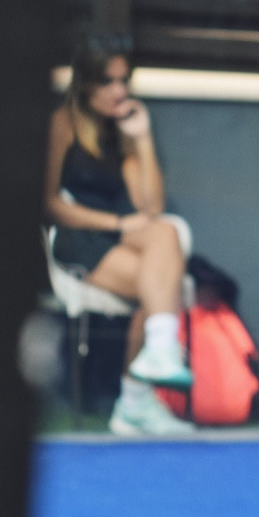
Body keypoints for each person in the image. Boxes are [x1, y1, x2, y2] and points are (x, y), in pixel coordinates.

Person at [44, 35, 195, 436]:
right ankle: (134, 402)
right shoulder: (63, 123)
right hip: (80, 236)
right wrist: (114, 223)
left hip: (127, 233)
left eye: (124, 80)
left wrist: (142, 137)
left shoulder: (123, 128)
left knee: (164, 236)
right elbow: (50, 203)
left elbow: (152, 205)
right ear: (86, 84)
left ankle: (155, 359)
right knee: (161, 287)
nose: (119, 91)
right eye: (108, 81)